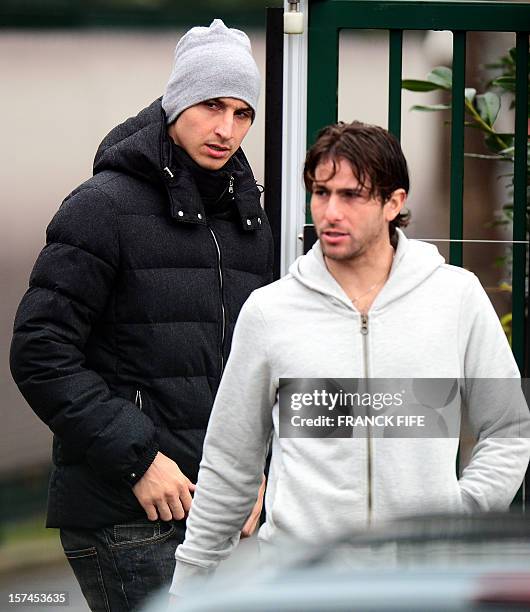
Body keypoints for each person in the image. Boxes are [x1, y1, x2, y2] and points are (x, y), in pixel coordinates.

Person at [168, 121, 530, 596]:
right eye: (321, 193)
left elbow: (507, 430)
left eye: (352, 195)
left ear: (393, 203)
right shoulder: (271, 312)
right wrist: (189, 584)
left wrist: (462, 513)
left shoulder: (455, 297)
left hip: (425, 585)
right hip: (303, 586)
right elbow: (230, 463)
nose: (331, 211)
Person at [10, 19, 272, 612]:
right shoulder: (101, 208)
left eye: (241, 113)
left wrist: (258, 464)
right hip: (125, 512)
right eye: (211, 106)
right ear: (177, 102)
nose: (225, 129)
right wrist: (139, 461)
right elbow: (39, 351)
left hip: (219, 511)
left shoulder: (249, 221)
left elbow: (260, 359)